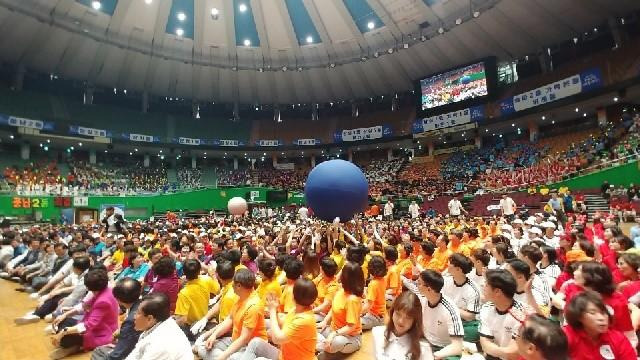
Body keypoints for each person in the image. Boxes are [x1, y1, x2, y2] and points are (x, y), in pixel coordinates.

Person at [195, 269, 267, 360]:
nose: (231, 285)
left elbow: (244, 338)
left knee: (232, 357)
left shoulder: (253, 306)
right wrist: (214, 335)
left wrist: (222, 356)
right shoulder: (240, 297)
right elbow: (230, 319)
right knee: (203, 348)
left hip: (248, 347)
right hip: (234, 340)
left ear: (239, 286)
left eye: (233, 283)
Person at [48, 268, 119, 359]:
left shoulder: (103, 300)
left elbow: (88, 325)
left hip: (101, 333)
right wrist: (65, 315)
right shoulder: (104, 290)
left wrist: (63, 332)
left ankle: (77, 347)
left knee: (65, 338)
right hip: (93, 325)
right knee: (62, 322)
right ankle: (74, 344)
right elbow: (85, 305)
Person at [239, 278, 318, 360]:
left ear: (293, 296)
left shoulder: (304, 320)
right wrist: (275, 311)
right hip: (284, 356)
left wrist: (272, 311)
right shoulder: (296, 310)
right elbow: (282, 324)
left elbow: (277, 339)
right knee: (256, 343)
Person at [402, 269, 464, 359]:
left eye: (419, 283)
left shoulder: (450, 309)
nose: (416, 284)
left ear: (429, 289)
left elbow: (457, 347)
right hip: (426, 342)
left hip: (444, 349)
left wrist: (433, 356)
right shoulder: (422, 299)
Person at [563, 291, 636, 360]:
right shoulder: (566, 336)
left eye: (603, 313)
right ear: (579, 316)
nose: (601, 318)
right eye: (593, 313)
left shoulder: (618, 338)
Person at [479, 269, 530, 360]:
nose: (483, 286)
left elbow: (513, 353)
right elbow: (485, 344)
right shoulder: (486, 308)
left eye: (487, 284)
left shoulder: (523, 314)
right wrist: (502, 352)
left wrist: (494, 351)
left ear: (498, 291)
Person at [125, 293, 193, 360]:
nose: (134, 317)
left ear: (150, 319)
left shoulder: (161, 344)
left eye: (138, 313)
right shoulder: (158, 326)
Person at [317, 262, 365, 355]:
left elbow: (351, 327)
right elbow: (333, 308)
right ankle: (323, 347)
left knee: (336, 342)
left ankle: (321, 347)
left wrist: (334, 334)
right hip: (333, 330)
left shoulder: (353, 300)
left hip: (349, 337)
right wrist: (325, 321)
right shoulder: (341, 290)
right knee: (312, 328)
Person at [91, 278, 142, 360]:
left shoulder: (131, 321)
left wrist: (116, 347)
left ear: (118, 299)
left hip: (135, 353)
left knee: (99, 351)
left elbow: (118, 355)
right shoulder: (143, 303)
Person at [372, 291, 431, 360]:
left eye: (408, 317)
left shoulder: (423, 347)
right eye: (398, 314)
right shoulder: (377, 333)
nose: (401, 321)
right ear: (392, 312)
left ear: (415, 320)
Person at [174, 259, 219, 339]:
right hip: (205, 317)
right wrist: (213, 275)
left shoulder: (184, 293)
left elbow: (182, 320)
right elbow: (217, 290)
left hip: (192, 325)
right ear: (199, 271)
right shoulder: (206, 280)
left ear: (184, 273)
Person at [361, 255, 387, 330]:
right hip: (379, 315)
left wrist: (356, 313)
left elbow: (368, 305)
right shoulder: (383, 279)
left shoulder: (374, 284)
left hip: (375, 317)